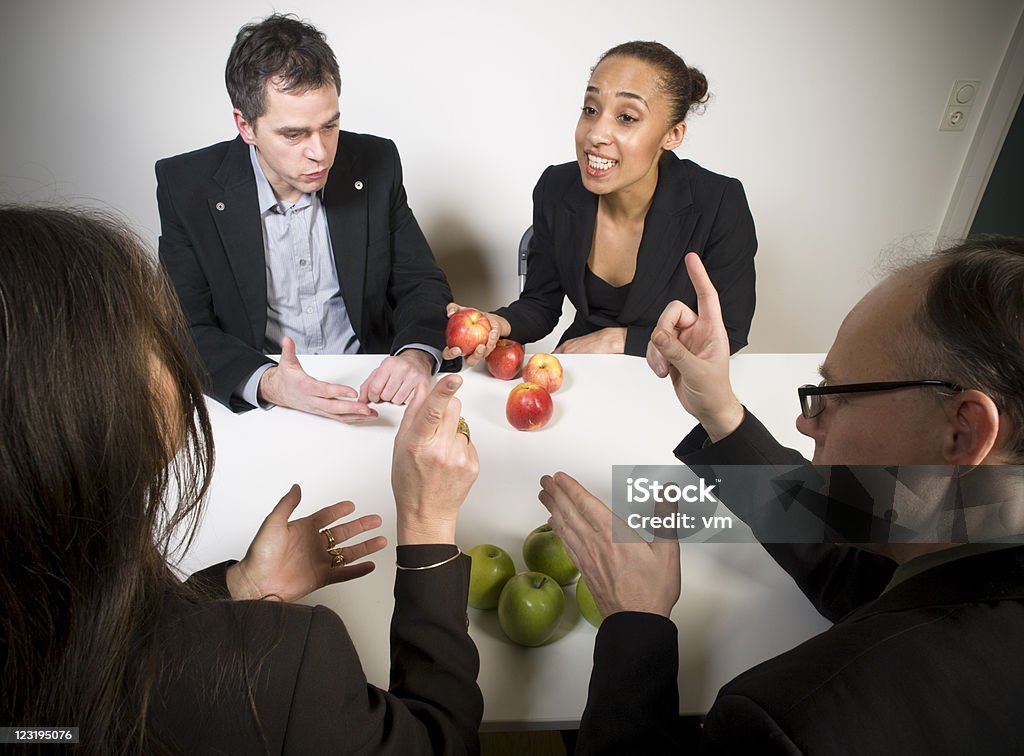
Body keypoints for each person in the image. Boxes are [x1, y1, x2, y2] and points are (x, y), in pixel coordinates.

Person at [0, 206, 483, 753]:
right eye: (151, 334)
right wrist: (427, 526)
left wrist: (233, 589)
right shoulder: (281, 667)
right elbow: (442, 744)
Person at [539, 242, 1024, 753]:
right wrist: (722, 414)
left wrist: (636, 623)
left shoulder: (791, 721)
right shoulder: (975, 535)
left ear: (963, 432)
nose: (805, 421)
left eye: (836, 393)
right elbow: (864, 579)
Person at [157, 14, 455, 421]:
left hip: (372, 390)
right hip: (261, 403)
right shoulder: (186, 186)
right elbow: (184, 327)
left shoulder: (376, 162)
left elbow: (420, 283)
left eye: (330, 126)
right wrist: (268, 382)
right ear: (245, 125)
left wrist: (416, 355)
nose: (320, 152)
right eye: (294, 134)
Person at [446, 41, 756, 365]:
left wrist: (619, 339)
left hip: (674, 376)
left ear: (673, 134)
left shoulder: (719, 202)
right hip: (586, 367)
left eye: (626, 117)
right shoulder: (556, 187)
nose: (596, 133)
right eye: (591, 110)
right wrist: (496, 323)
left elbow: (729, 331)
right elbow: (540, 304)